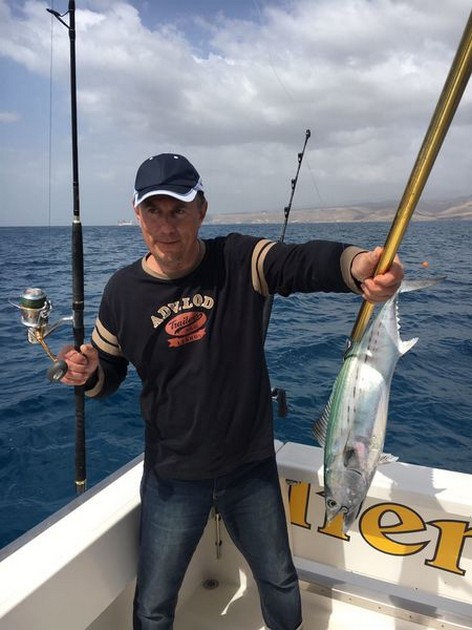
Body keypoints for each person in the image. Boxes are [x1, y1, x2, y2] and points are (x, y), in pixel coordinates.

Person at [59, 153, 404, 630]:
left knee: (279, 580)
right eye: (154, 211)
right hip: (172, 475)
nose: (166, 226)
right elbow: (108, 373)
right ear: (137, 213)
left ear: (201, 210)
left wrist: (357, 265)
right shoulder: (122, 292)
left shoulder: (240, 260)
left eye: (179, 210)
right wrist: (87, 372)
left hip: (249, 467)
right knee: (154, 603)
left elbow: (299, 263)